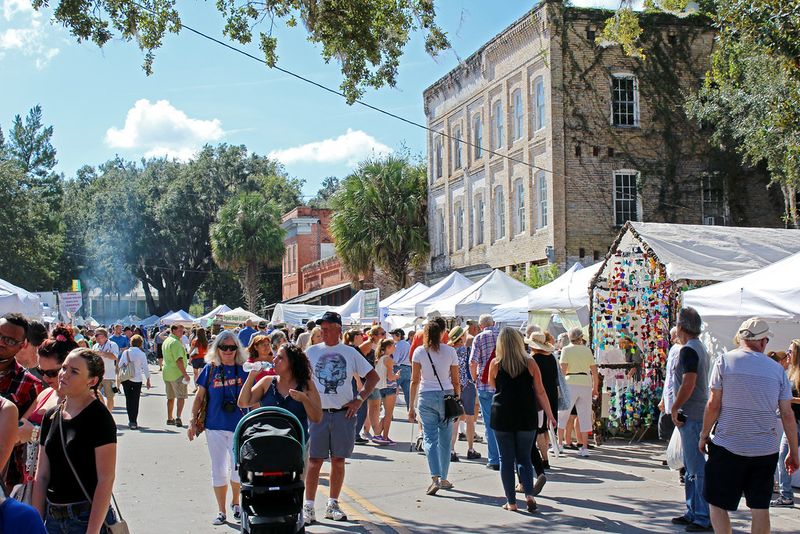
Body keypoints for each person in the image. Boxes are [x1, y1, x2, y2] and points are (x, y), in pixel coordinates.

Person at [701, 318, 799, 534]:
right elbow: (787, 414)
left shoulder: (724, 361)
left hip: (728, 444)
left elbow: (713, 404)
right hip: (765, 448)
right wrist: (793, 450)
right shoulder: (777, 370)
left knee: (717, 504)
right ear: (763, 341)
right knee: (760, 507)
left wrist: (704, 434)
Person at [303, 312, 378, 524]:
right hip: (318, 414)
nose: (323, 332)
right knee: (315, 461)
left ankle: (332, 503)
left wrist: (359, 399)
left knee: (338, 460)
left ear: (338, 329)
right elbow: (300, 378)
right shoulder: (311, 352)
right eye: (322, 328)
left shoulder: (350, 353)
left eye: (327, 328)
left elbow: (372, 377)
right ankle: (308, 506)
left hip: (342, 414)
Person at [33, 348, 119, 533]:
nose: (63, 374)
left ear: (92, 381)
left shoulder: (99, 417)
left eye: (74, 371)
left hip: (83, 518)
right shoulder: (51, 416)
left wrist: (92, 530)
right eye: (64, 368)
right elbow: (41, 476)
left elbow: (106, 478)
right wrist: (36, 523)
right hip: (52, 519)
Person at [488, 327, 556, 512]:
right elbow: (540, 391)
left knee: (505, 459)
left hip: (502, 414)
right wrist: (549, 414)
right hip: (526, 413)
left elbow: (492, 385)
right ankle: (529, 495)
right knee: (524, 457)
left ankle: (511, 502)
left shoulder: (496, 363)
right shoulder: (530, 362)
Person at [187, 330, 249, 525]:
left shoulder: (245, 369)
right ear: (217, 349)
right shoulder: (210, 369)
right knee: (218, 469)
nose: (228, 351)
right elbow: (199, 397)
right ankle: (221, 511)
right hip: (215, 426)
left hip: (239, 426)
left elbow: (254, 398)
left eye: (232, 347)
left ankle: (235, 503)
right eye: (224, 347)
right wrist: (191, 420)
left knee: (238, 469)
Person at [17, 328, 78, 491]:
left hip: (63, 488)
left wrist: (34, 433)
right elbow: (21, 425)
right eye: (40, 371)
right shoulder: (45, 393)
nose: (44, 378)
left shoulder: (83, 399)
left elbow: (78, 445)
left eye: (51, 373)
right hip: (32, 480)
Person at [668, 308, 712, 532]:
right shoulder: (698, 348)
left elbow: (689, 382)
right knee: (691, 466)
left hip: (692, 413)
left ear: (682, 327)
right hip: (695, 413)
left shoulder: (689, 350)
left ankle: (702, 515)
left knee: (695, 467)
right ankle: (693, 510)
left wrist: (675, 406)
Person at [407, 320, 460, 496]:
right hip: (446, 396)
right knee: (445, 440)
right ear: (443, 332)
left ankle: (435, 477)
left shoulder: (419, 351)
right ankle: (443, 478)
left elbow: (414, 380)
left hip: (426, 396)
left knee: (430, 438)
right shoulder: (450, 351)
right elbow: (455, 379)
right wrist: (457, 398)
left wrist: (411, 406)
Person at [238, 343, 322, 438]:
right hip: (268, 442)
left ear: (292, 362)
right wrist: (251, 376)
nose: (274, 360)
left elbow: (317, 418)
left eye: (280, 358)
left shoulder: (307, 384)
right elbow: (243, 403)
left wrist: (304, 400)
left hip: (296, 445)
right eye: (275, 356)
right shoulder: (267, 382)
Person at [0, 313, 43, 492]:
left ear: (22, 345)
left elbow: (25, 435)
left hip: (7, 480)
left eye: (10, 341)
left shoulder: (31, 385)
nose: (1, 342)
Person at [558, 327, 598, 457]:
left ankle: (559, 444)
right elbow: (594, 371)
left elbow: (563, 371)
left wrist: (559, 387)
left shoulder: (566, 349)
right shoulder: (587, 350)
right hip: (585, 382)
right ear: (581, 337)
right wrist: (595, 387)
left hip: (570, 382)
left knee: (563, 413)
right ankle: (584, 447)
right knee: (584, 415)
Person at [469, 314, 501, 470]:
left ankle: (494, 459)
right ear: (493, 323)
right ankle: (505, 457)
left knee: (489, 423)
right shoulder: (504, 336)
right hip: (503, 385)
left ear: (481, 326)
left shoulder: (479, 338)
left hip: (484, 385)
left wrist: (475, 379)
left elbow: (473, 362)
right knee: (505, 423)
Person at [527, 331, 559, 481]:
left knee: (539, 429)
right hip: (551, 395)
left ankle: (544, 458)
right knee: (547, 428)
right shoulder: (551, 358)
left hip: (539, 396)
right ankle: (545, 456)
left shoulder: (533, 359)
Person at [773, 339, 800, 506]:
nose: (787, 354)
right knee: (783, 456)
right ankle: (786, 494)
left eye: (790, 351)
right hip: (792, 423)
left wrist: (791, 400)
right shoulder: (789, 373)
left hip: (796, 421)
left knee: (784, 456)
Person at [448, 326, 480, 462]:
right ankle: (470, 449)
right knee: (470, 419)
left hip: (452, 386)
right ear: (461, 337)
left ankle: (451, 450)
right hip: (467, 386)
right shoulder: (467, 350)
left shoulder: (449, 351)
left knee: (454, 419)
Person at [119, 334, 151, 430]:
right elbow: (145, 367)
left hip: (127, 378)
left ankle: (130, 420)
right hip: (137, 379)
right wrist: (148, 379)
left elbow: (121, 364)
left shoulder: (126, 353)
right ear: (141, 343)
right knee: (135, 400)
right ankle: (134, 421)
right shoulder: (142, 354)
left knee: (128, 400)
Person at [162, 324, 191, 427]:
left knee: (170, 397)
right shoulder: (176, 343)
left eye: (182, 331)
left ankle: (169, 418)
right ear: (173, 330)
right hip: (177, 373)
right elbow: (179, 360)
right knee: (181, 396)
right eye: (180, 331)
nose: (182, 333)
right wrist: (185, 374)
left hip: (167, 373)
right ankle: (178, 417)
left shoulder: (167, 340)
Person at [373, 339, 399, 444]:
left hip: (381, 387)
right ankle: (384, 437)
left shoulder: (379, 358)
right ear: (388, 347)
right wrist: (397, 376)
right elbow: (391, 377)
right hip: (389, 387)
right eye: (393, 345)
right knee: (388, 414)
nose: (395, 347)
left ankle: (378, 434)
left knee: (386, 414)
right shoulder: (388, 359)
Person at [90, 327, 119, 412]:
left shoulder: (112, 345)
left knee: (110, 397)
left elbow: (115, 357)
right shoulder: (95, 346)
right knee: (94, 396)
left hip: (109, 376)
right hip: (97, 376)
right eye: (95, 336)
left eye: (97, 335)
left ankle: (109, 414)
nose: (96, 337)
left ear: (104, 336)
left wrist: (102, 353)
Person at [390, 329, 412, 411]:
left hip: (398, 369)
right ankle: (410, 411)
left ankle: (389, 413)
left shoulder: (398, 345)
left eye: (393, 335)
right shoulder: (408, 344)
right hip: (408, 369)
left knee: (392, 392)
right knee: (408, 393)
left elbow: (395, 360)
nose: (392, 337)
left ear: (398, 335)